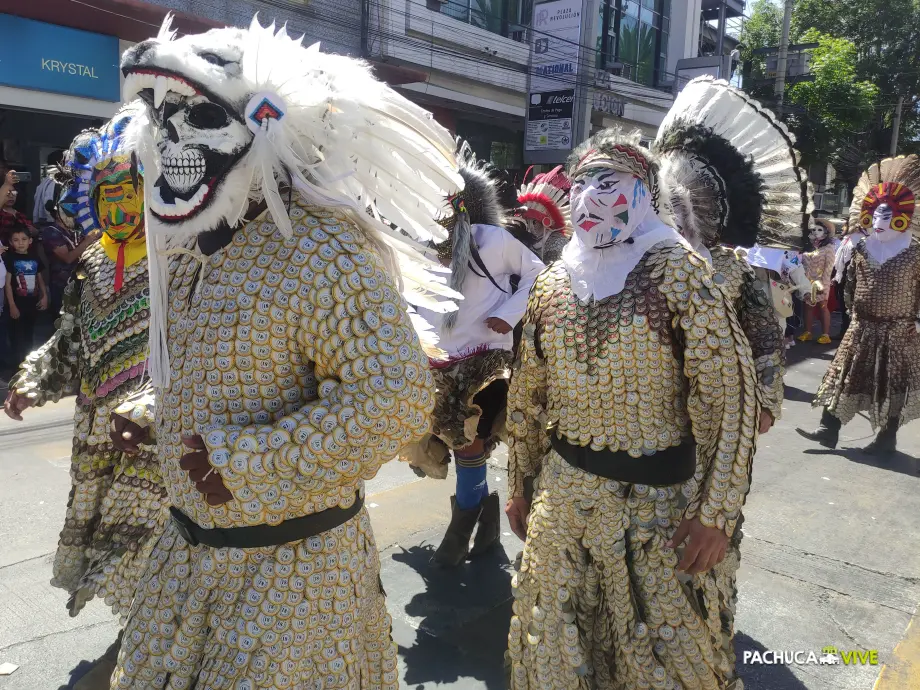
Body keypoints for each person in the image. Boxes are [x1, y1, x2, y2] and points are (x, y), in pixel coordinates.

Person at [106, 15, 462, 687]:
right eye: (163, 123)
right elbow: (223, 371)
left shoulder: (322, 246)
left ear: (263, 126)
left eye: (199, 118)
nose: (172, 142)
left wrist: (242, 461)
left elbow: (395, 400)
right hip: (184, 562)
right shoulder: (190, 253)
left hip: (293, 576)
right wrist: (158, 414)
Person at [504, 128, 759, 690]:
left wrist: (716, 513)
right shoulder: (551, 285)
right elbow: (526, 395)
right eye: (583, 182)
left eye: (610, 181)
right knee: (554, 653)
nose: (593, 194)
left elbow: (730, 400)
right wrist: (519, 482)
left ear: (645, 192)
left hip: (661, 512)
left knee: (665, 663)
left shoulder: (678, 273)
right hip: (563, 500)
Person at [3, 105, 160, 689]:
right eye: (107, 195)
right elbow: (70, 343)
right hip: (97, 433)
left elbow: (203, 355)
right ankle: (140, 635)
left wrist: (152, 409)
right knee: (109, 537)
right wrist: (32, 380)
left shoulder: (181, 265)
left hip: (155, 436)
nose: (118, 207)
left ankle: (138, 645)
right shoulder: (92, 263)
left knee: (148, 539)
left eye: (130, 193)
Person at [406, 141, 544, 566]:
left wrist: (508, 313)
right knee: (452, 442)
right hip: (435, 361)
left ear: (460, 205)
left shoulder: (494, 240)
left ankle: (460, 530)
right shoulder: (424, 246)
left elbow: (538, 273)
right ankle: (484, 525)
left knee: (469, 443)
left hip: (483, 361)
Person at [797, 155, 920, 456]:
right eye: (875, 214)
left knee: (890, 385)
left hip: (899, 331)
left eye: (887, 216)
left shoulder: (915, 253)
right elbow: (849, 285)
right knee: (841, 375)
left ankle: (886, 439)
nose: (880, 222)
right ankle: (828, 430)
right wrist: (852, 314)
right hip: (861, 326)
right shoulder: (861, 248)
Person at [3, 226, 48, 364]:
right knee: (17, 337)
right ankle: (16, 367)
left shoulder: (35, 257)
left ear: (30, 241)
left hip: (32, 303)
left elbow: (39, 278)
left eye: (24, 239)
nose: (20, 243)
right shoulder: (9, 258)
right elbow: (8, 284)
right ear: (11, 243)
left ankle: (28, 366)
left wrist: (44, 296)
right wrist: (12, 305)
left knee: (29, 335)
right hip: (17, 303)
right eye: (16, 240)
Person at [511, 165, 571, 264]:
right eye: (526, 221)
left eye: (534, 222)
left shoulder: (557, 241)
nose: (530, 226)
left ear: (545, 222)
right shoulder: (520, 239)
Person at [798, 217, 836, 344]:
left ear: (826, 233)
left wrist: (824, 285)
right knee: (807, 306)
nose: (816, 232)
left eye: (819, 230)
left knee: (823, 306)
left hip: (821, 282)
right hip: (807, 281)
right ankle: (807, 332)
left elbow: (828, 268)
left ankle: (825, 334)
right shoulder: (808, 246)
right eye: (814, 229)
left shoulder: (828, 248)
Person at [833, 217, 866, 338]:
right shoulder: (847, 239)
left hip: (853, 278)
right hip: (843, 276)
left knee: (851, 305)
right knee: (843, 304)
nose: (843, 228)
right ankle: (844, 330)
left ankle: (851, 333)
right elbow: (839, 260)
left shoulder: (861, 239)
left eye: (845, 225)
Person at [33, 149, 65, 226]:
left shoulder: (44, 182)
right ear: (61, 164)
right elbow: (49, 205)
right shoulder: (55, 182)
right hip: (54, 224)